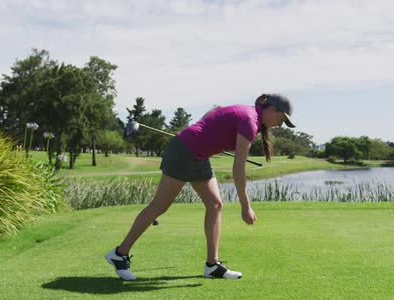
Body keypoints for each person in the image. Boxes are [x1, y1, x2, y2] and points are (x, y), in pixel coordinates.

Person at [106, 93, 296, 280]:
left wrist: (207, 132)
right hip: (185, 152)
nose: (280, 124)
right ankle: (120, 253)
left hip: (197, 154)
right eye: (281, 119)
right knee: (159, 205)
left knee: (215, 205)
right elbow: (238, 169)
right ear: (272, 109)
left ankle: (212, 266)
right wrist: (245, 206)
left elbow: (216, 110)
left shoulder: (249, 115)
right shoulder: (250, 120)